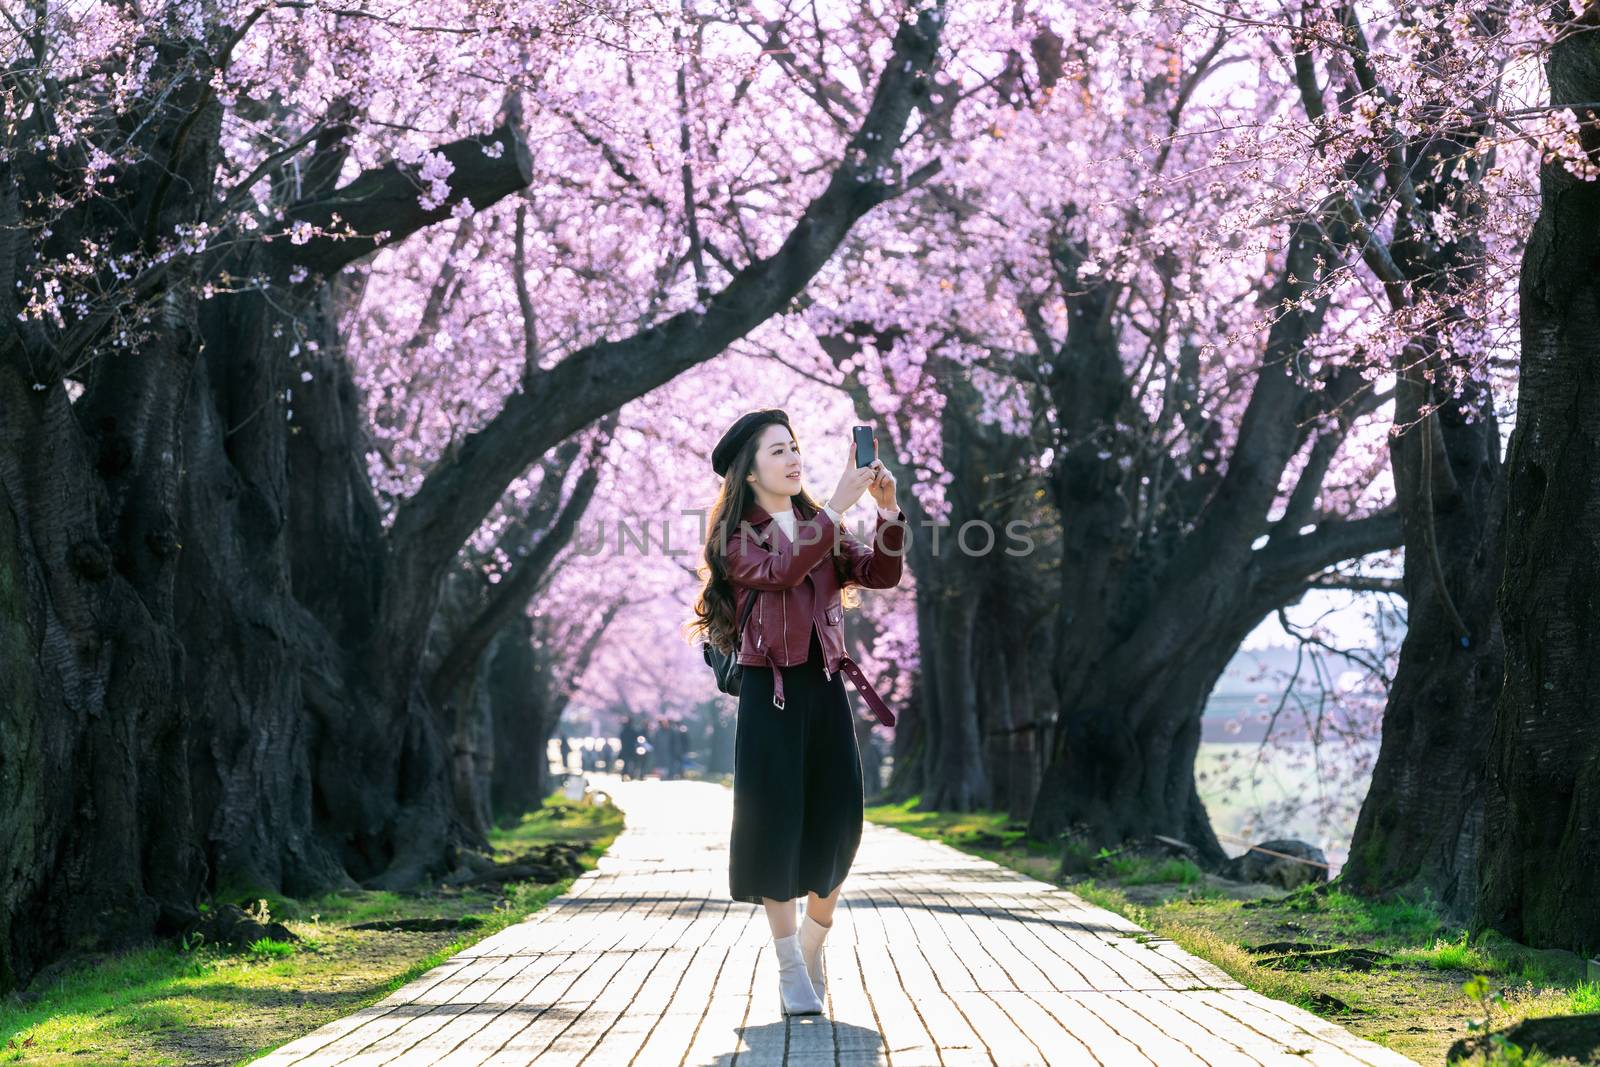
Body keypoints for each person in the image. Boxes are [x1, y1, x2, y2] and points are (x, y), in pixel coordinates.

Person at [686, 408, 906, 1017]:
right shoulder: (736, 538)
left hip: (827, 686)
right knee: (775, 828)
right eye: (777, 451)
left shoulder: (820, 524)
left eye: (794, 446)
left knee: (840, 823)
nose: (793, 458)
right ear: (749, 472)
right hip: (770, 692)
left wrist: (887, 513)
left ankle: (814, 942)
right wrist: (836, 504)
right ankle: (788, 967)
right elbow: (781, 571)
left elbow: (879, 574)